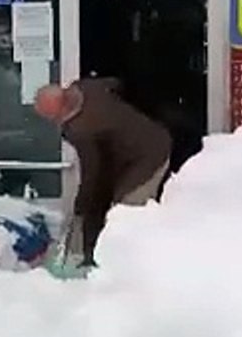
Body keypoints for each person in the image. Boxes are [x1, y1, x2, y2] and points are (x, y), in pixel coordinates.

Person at [33, 78, 172, 270]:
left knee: (125, 213)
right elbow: (116, 83)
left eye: (51, 117)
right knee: (110, 205)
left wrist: (80, 206)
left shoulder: (80, 128)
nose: (52, 122)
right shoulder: (85, 87)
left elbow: (92, 174)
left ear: (60, 110)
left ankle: (134, 268)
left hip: (151, 156)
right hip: (143, 142)